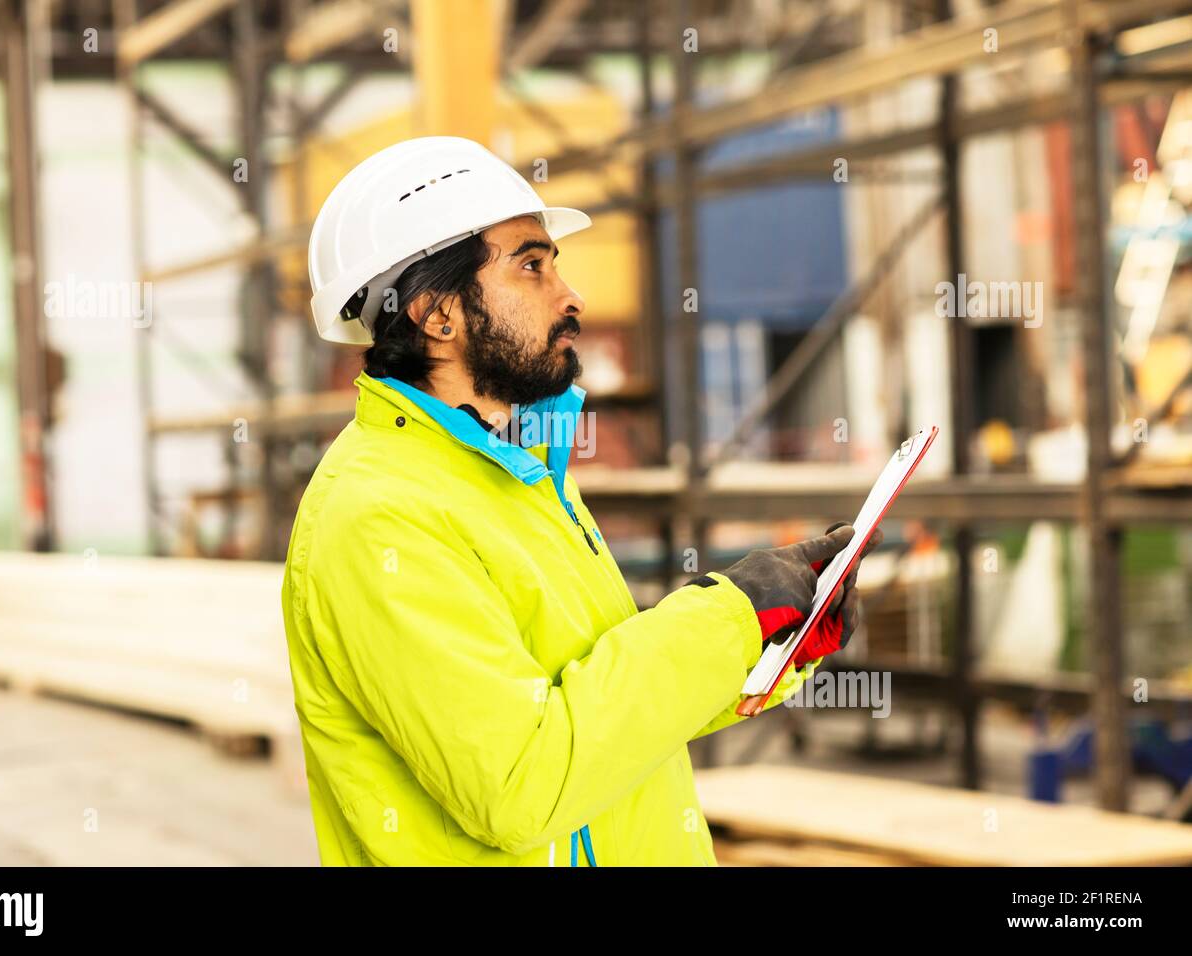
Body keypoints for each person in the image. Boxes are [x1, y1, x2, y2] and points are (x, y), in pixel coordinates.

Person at [281, 136, 878, 865]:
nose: (572, 296)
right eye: (531, 265)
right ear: (437, 314)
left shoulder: (520, 477)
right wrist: (727, 615)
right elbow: (522, 783)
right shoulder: (378, 516)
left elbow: (606, 722)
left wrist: (770, 640)